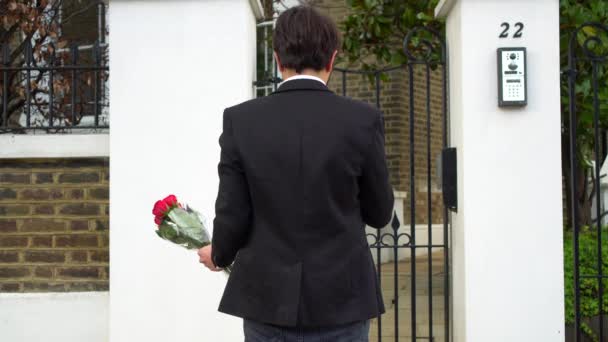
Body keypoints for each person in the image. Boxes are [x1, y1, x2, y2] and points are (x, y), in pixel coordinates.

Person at [198, 5, 394, 342]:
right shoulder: (363, 120)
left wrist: (219, 254)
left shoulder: (241, 120)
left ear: (277, 59)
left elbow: (232, 209)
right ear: (332, 59)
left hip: (268, 301)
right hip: (343, 300)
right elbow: (379, 214)